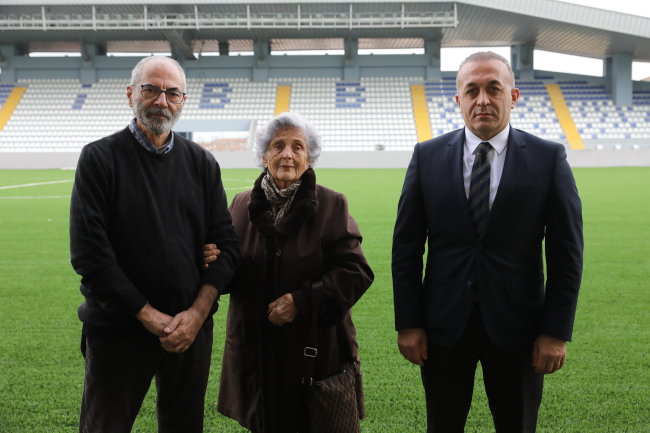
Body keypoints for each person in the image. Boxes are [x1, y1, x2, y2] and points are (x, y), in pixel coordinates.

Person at [392, 51, 583, 432]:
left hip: (520, 329)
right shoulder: (426, 156)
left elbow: (566, 254)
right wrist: (408, 323)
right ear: (458, 99)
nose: (482, 100)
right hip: (443, 328)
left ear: (512, 95)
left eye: (493, 89)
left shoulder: (548, 158)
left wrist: (556, 332)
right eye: (472, 90)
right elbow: (406, 248)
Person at [69, 55, 240, 432]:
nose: (162, 101)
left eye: (172, 93)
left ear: (183, 101)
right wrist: (149, 316)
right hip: (118, 331)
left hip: (190, 332)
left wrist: (196, 315)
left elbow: (227, 246)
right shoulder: (99, 159)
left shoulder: (202, 163)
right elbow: (90, 256)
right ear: (131, 94)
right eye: (151, 90)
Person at [205, 112, 373, 433]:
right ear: (264, 156)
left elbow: (356, 271)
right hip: (254, 349)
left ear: (309, 159)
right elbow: (229, 267)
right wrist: (212, 259)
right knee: (263, 421)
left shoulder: (331, 204)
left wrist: (302, 301)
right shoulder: (240, 205)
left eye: (297, 147)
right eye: (278, 145)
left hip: (312, 350)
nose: (287, 154)